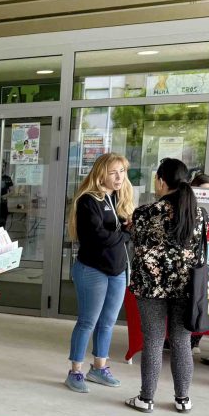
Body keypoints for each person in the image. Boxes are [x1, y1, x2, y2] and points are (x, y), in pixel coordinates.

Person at [126, 158, 207, 414]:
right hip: (186, 288)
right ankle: (183, 399)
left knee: (152, 341)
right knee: (182, 342)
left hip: (151, 287)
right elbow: (200, 253)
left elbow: (137, 246)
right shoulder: (199, 214)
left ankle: (146, 398)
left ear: (161, 181)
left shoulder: (145, 213)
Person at [64, 153, 134, 393]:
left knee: (108, 322)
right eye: (114, 172)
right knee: (87, 322)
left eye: (122, 172)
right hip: (92, 270)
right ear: (101, 173)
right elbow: (98, 238)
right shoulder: (88, 201)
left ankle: (99, 368)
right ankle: (75, 372)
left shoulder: (119, 198)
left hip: (117, 270)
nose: (119, 177)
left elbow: (125, 230)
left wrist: (127, 231)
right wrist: (126, 234)